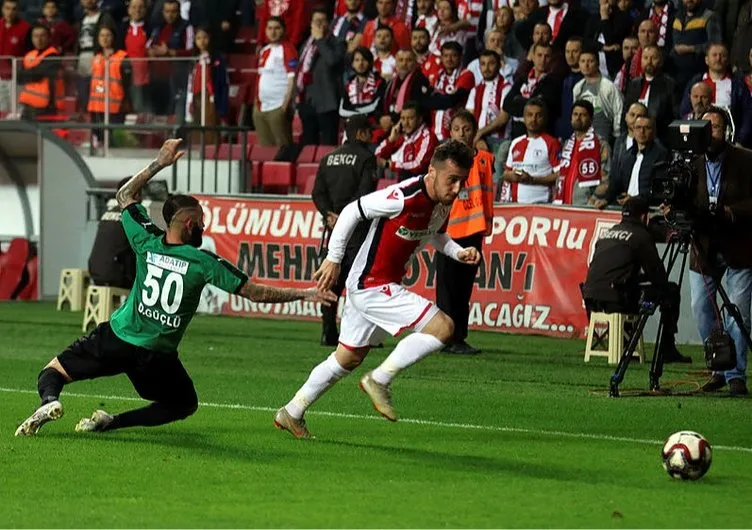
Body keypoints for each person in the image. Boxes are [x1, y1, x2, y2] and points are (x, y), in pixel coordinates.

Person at [15, 139, 336, 437]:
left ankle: (49, 400)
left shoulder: (145, 240)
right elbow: (256, 292)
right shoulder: (203, 262)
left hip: (117, 337)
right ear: (191, 225)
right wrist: (305, 294)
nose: (205, 227)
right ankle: (112, 423)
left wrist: (159, 162)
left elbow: (124, 195)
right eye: (202, 222)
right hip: (157, 356)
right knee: (183, 404)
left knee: (53, 370)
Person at [274, 140, 479, 439]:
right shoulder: (403, 196)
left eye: (462, 181)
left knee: (347, 359)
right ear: (432, 172)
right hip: (371, 284)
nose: (458, 188)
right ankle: (380, 379)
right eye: (453, 180)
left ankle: (291, 411)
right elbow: (351, 211)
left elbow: (436, 235)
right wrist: (333, 258)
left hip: (376, 286)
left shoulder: (441, 203)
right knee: (444, 327)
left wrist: (458, 252)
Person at [687, 107, 752, 395]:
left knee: (738, 311)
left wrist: (729, 212)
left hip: (739, 244)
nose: (710, 132)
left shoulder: (746, 159)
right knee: (701, 308)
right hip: (703, 246)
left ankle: (736, 374)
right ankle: (718, 366)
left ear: (726, 131)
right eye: (705, 126)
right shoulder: (692, 163)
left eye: (715, 126)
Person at [582, 197, 690, 363]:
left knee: (630, 287)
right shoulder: (640, 236)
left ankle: (627, 344)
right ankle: (667, 348)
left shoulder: (608, 233)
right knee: (670, 291)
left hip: (590, 298)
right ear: (644, 216)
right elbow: (659, 276)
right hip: (617, 298)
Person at [312, 116, 377, 346]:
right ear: (360, 133)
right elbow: (365, 192)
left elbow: (317, 193)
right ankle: (357, 335)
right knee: (358, 281)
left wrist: (330, 215)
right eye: (369, 131)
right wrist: (346, 217)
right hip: (358, 229)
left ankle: (328, 331)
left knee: (331, 280)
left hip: (333, 229)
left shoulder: (328, 158)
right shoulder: (367, 158)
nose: (371, 136)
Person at [436, 111, 495, 355]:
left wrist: (485, 227)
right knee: (447, 287)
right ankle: (445, 338)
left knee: (463, 288)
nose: (462, 133)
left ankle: (458, 337)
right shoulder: (441, 160)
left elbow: (487, 194)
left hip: (472, 232)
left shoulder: (483, 160)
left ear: (474, 131)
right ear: (450, 132)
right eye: (457, 128)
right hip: (448, 232)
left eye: (467, 129)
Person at [87, 177, 139, 289]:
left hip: (94, 270)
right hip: (114, 275)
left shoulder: (108, 212)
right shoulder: (132, 214)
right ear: (136, 193)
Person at [87, 25, 130, 148]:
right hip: (96, 104)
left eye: (108, 35)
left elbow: (127, 82)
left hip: (115, 105)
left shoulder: (122, 56)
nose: (105, 39)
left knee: (114, 140)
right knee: (98, 138)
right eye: (102, 35)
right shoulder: (96, 57)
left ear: (114, 38)